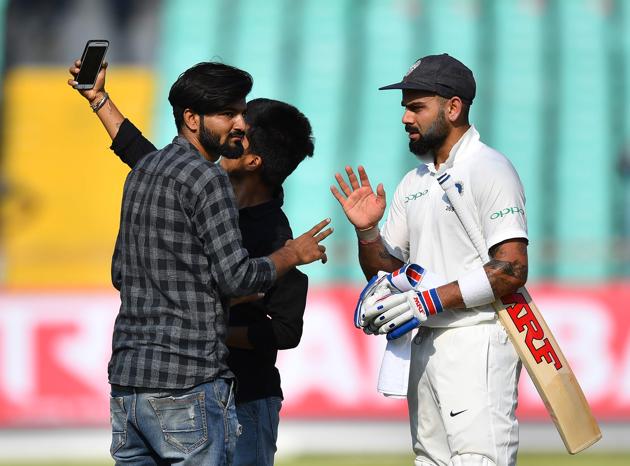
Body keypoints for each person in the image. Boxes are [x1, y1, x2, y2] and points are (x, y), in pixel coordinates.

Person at [69, 61, 331, 465]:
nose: (238, 125)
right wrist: (100, 100)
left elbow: (284, 330)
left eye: (243, 118)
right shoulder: (197, 186)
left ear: (253, 161)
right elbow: (136, 150)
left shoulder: (275, 232)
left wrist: (200, 318)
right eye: (231, 114)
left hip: (240, 395)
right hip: (190, 385)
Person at [331, 54, 528, 466]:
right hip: (425, 341)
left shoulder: (489, 169)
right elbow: (387, 273)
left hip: (477, 337)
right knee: (429, 461)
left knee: (478, 459)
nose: (405, 117)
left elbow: (511, 269)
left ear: (453, 108)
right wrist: (367, 232)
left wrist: (429, 301)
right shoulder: (414, 181)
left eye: (417, 106)